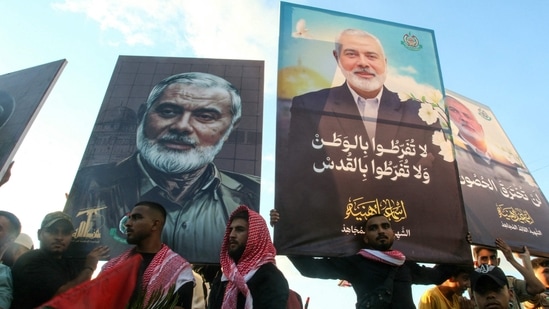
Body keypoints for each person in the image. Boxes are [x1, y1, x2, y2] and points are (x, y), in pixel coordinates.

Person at [275, 28, 467, 261]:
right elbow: (299, 173)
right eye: (352, 54)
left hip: (410, 234)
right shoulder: (310, 105)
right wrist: (288, 222)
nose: (363, 63)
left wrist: (457, 243)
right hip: (336, 230)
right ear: (337, 58)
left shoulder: (421, 113)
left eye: (371, 56)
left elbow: (442, 184)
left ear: (384, 62)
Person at [64, 72, 260, 264]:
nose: (182, 126)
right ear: (142, 115)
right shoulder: (87, 184)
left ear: (230, 128)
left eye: (205, 116)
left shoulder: (252, 193)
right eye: (168, 111)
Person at [276, 211, 452, 309]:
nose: (381, 231)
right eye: (373, 228)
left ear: (393, 234)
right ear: (366, 238)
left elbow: (436, 276)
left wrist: (461, 251)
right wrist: (284, 231)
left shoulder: (405, 265)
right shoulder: (356, 263)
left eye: (385, 226)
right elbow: (309, 269)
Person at [101, 201, 194, 308]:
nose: (128, 223)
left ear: (155, 224)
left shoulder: (178, 270)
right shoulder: (112, 266)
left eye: (136, 218)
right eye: (130, 218)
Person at [10, 211, 109, 309]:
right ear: (39, 234)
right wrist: (89, 268)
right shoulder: (31, 261)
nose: (59, 237)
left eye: (66, 233)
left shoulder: (67, 262)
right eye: (52, 231)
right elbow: (64, 296)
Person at [208, 205, 289, 308]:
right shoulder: (225, 276)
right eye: (231, 229)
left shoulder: (271, 278)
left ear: (255, 236)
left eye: (239, 230)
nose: (231, 235)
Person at [472, 239, 544, 308]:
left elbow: (537, 288)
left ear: (510, 294)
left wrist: (515, 259)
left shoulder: (510, 282)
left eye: (498, 290)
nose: (490, 262)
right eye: (484, 258)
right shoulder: (471, 286)